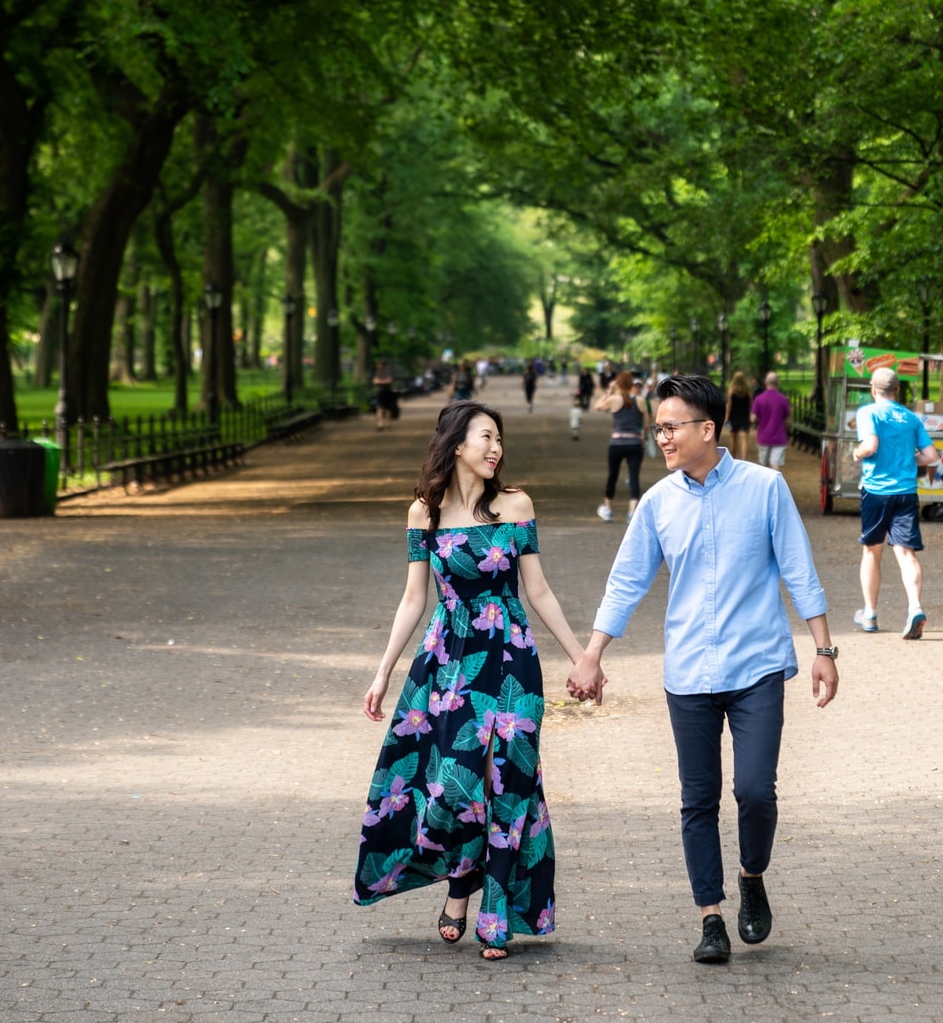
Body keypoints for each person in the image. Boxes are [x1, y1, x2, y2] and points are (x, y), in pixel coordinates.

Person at [567, 375, 838, 966]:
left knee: (754, 791)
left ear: (707, 429)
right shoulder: (658, 504)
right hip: (688, 671)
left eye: (670, 427)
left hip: (758, 664)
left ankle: (751, 874)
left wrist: (824, 648)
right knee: (698, 798)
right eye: (657, 427)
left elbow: (799, 567)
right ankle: (710, 917)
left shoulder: (765, 488)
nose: (660, 437)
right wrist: (593, 653)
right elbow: (628, 581)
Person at [355, 401, 601, 958]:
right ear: (456, 444)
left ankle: (496, 913)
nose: (496, 448)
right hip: (450, 662)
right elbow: (414, 597)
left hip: (512, 659)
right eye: (486, 438)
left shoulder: (516, 505)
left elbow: (537, 590)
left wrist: (583, 657)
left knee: (509, 784)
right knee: (456, 784)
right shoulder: (424, 513)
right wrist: (382, 671)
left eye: (499, 439)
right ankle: (460, 883)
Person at [852, 367, 939, 639]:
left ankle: (870, 614)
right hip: (906, 493)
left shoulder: (868, 413)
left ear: (873, 389)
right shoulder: (911, 418)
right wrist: (910, 460)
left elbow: (871, 445)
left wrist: (857, 452)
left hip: (876, 492)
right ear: (897, 390)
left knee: (872, 552)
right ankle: (915, 607)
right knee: (905, 553)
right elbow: (931, 455)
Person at [593, 369, 649, 522]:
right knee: (634, 477)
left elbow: (597, 406)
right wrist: (643, 439)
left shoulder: (613, 399)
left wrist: (608, 391)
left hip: (616, 443)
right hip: (635, 443)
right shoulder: (640, 400)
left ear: (618, 384)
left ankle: (608, 510)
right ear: (632, 384)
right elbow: (645, 424)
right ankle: (632, 513)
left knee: (613, 476)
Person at [751, 371, 791, 469]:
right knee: (775, 464)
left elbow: (752, 418)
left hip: (763, 436)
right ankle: (775, 483)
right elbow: (788, 421)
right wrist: (788, 430)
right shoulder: (783, 399)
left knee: (763, 466)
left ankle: (764, 484)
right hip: (779, 437)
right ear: (778, 383)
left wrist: (759, 420)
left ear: (766, 383)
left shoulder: (759, 399)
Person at [726, 371, 753, 460]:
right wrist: (750, 415)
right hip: (745, 416)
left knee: (733, 441)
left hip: (733, 417)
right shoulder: (748, 390)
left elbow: (729, 405)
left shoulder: (731, 390)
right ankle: (743, 460)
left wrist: (726, 417)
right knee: (744, 440)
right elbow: (751, 404)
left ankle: (733, 459)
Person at [371, 357, 397, 431]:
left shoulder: (388, 373)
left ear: (384, 365)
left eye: (380, 365)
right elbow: (375, 381)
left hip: (387, 392)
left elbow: (389, 381)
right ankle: (380, 424)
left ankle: (388, 423)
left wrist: (380, 381)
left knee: (388, 409)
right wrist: (383, 381)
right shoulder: (377, 373)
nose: (379, 366)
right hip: (380, 392)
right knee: (379, 408)